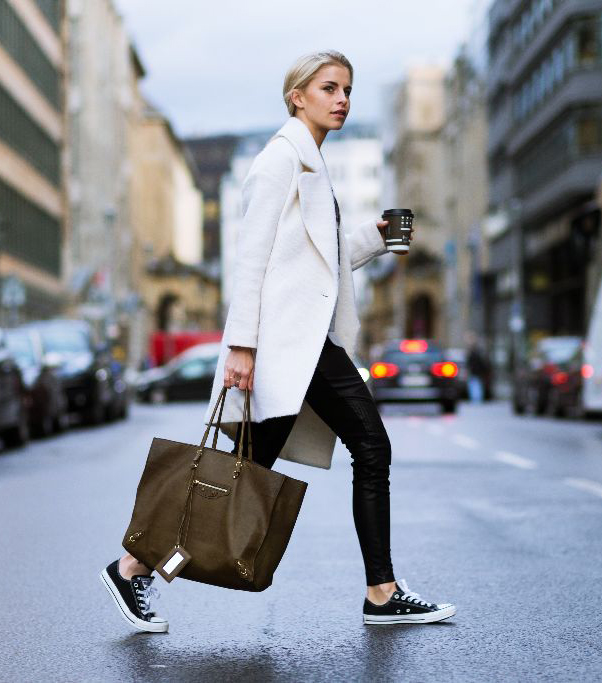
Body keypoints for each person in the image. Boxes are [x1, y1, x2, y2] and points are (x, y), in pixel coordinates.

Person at [100, 50, 456, 632]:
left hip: (303, 345)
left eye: (347, 90)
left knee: (245, 470)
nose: (342, 100)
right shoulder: (278, 162)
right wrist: (241, 346)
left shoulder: (312, 162)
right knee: (365, 450)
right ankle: (382, 593)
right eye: (330, 88)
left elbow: (317, 261)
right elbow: (252, 260)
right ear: (298, 96)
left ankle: (133, 565)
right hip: (289, 347)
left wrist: (375, 236)